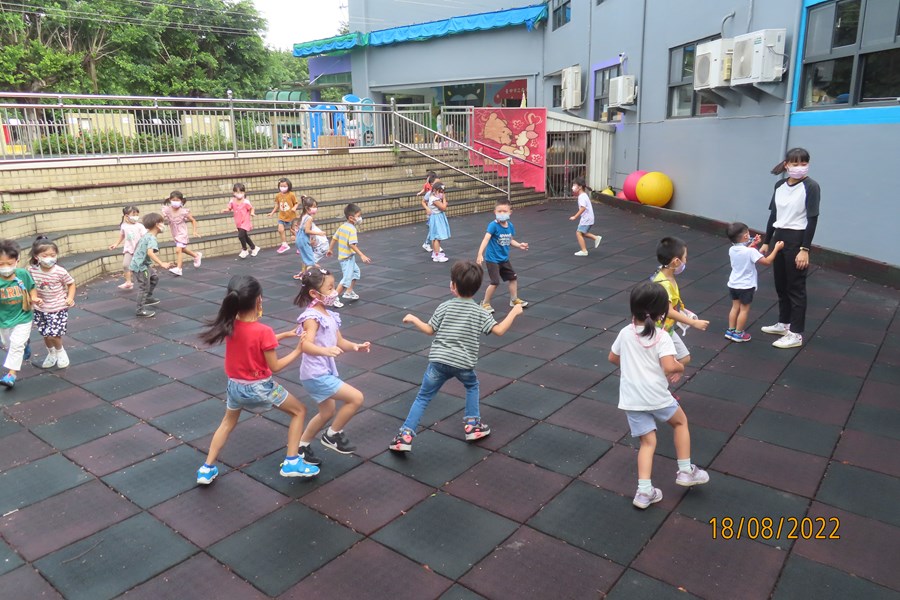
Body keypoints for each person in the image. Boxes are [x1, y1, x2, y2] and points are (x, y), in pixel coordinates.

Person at [196, 275, 319, 484]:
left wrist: (283, 335)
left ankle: (206, 469)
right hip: (260, 388)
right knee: (300, 411)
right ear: (259, 300)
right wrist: (299, 348)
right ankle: (292, 462)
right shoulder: (264, 331)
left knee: (227, 423)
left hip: (234, 387)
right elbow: (276, 366)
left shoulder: (229, 325)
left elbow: (252, 340)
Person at [390, 260, 524, 452]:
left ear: (453, 286)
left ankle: (404, 436)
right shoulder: (480, 312)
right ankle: (472, 425)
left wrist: (413, 318)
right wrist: (514, 312)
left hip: (438, 362)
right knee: (472, 386)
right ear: (477, 288)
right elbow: (500, 330)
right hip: (463, 364)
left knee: (423, 397)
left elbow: (429, 330)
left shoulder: (445, 306)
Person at [609, 281, 710, 509]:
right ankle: (685, 471)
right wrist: (680, 368)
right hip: (655, 395)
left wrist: (633, 367)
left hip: (631, 398)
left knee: (648, 442)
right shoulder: (661, 336)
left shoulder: (625, 333)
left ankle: (644, 493)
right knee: (680, 423)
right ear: (662, 313)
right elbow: (669, 365)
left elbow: (613, 358)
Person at [293, 268, 371, 466]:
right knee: (356, 398)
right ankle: (332, 435)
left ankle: (301, 447)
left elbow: (340, 341)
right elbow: (305, 345)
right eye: (329, 288)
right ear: (314, 293)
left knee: (327, 413)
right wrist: (326, 351)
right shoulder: (311, 317)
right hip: (315, 375)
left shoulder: (329, 314)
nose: (334, 291)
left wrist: (355, 346)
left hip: (322, 372)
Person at [759, 147, 821, 349]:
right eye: (795, 163)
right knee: (781, 284)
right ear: (786, 165)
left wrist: (805, 249)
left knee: (796, 287)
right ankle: (783, 323)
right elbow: (773, 216)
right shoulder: (779, 185)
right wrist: (767, 242)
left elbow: (812, 220)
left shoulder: (811, 187)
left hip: (797, 239)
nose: (800, 167)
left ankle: (795, 333)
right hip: (779, 237)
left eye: (804, 163)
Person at [651, 237, 709, 366]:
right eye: (685, 258)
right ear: (676, 261)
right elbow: (668, 311)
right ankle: (656, 379)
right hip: (659, 330)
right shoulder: (664, 284)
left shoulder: (665, 274)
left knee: (681, 358)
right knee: (679, 359)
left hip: (666, 327)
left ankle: (659, 377)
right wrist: (693, 323)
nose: (686, 261)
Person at [725, 222, 784, 342]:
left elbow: (744, 252)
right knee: (744, 309)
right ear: (746, 236)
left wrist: (753, 244)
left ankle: (730, 330)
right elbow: (767, 261)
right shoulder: (751, 252)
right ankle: (739, 333)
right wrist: (776, 249)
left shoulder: (732, 249)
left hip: (733, 283)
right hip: (746, 286)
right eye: (748, 233)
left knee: (735, 307)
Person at [27, 237, 76, 369]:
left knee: (54, 334)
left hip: (57, 307)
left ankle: (60, 352)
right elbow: (30, 286)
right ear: (37, 257)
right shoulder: (32, 271)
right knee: (46, 334)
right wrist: (34, 298)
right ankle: (51, 353)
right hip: (41, 308)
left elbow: (71, 284)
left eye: (52, 255)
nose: (49, 258)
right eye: (45, 255)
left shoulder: (60, 271)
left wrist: (70, 298)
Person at [475, 198, 529, 313]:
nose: (502, 214)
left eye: (505, 211)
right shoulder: (493, 226)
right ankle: (484, 303)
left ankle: (513, 300)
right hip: (492, 259)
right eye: (499, 211)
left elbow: (510, 240)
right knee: (495, 282)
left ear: (510, 212)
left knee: (513, 278)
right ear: (495, 212)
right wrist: (480, 254)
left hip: (504, 259)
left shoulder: (510, 226)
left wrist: (519, 245)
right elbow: (486, 239)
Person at [0, 240, 38, 389]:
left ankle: (11, 375)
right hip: (4, 319)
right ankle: (25, 345)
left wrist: (34, 298)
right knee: (9, 344)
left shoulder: (22, 274)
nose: (5, 268)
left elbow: (31, 288)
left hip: (23, 316)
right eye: (1, 264)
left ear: (17, 261)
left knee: (16, 344)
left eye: (9, 263)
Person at [129, 213, 175, 318]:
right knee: (144, 287)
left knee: (154, 278)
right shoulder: (151, 238)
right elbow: (150, 252)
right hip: (140, 267)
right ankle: (140, 310)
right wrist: (162, 263)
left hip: (142, 264)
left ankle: (148, 297)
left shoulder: (147, 235)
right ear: (157, 224)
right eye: (162, 222)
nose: (164, 225)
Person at [328, 203, 371, 307]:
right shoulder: (352, 229)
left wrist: (330, 249)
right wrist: (362, 255)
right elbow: (351, 244)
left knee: (356, 272)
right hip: (346, 258)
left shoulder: (342, 226)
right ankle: (333, 298)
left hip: (348, 257)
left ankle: (348, 292)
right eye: (358, 216)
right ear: (351, 218)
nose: (360, 218)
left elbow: (334, 238)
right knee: (346, 279)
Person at [162, 191, 201, 276]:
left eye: (177, 200)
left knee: (178, 250)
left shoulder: (184, 211)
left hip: (182, 232)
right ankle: (196, 255)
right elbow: (161, 218)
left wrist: (194, 231)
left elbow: (193, 220)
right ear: (170, 200)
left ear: (181, 201)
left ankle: (179, 269)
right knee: (182, 249)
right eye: (173, 200)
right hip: (174, 232)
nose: (175, 202)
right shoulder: (167, 209)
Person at [108, 205, 145, 290]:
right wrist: (116, 244)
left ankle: (146, 280)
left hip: (139, 250)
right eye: (133, 214)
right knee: (125, 265)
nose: (136, 217)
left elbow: (145, 237)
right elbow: (122, 235)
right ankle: (128, 282)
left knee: (141, 267)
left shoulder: (140, 226)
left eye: (137, 215)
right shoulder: (124, 226)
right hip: (129, 249)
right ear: (126, 216)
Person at [293, 195, 327, 279]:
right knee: (311, 262)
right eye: (314, 207)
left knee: (307, 259)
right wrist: (319, 233)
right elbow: (307, 231)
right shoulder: (309, 218)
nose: (315, 208)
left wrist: (304, 198)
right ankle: (311, 277)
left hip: (299, 239)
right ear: (308, 208)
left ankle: (305, 274)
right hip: (304, 239)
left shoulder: (303, 215)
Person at [222, 182, 259, 259]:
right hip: (238, 221)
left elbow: (251, 208)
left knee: (240, 235)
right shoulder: (232, 201)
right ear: (234, 193)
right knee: (244, 236)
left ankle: (244, 250)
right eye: (237, 192)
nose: (239, 194)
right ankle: (254, 248)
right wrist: (226, 210)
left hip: (245, 221)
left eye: (241, 192)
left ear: (244, 192)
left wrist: (252, 213)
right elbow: (229, 208)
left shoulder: (246, 202)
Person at [569, 177, 602, 256]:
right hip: (588, 218)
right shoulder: (584, 195)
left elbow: (583, 208)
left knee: (578, 233)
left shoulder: (582, 197)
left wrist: (575, 216)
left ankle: (584, 251)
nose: (573, 187)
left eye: (574, 185)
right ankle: (596, 238)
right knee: (582, 233)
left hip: (587, 218)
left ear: (580, 187)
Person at [268, 177, 298, 254]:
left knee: (294, 233)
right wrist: (272, 213)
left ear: (289, 186)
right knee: (280, 229)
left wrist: (294, 208)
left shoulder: (291, 194)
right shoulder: (278, 195)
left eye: (284, 186)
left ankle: (300, 246)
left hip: (291, 216)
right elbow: (277, 206)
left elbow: (296, 203)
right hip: (282, 216)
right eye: (281, 186)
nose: (282, 188)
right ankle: (284, 244)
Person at [427, 182, 451, 263]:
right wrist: (444, 200)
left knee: (436, 236)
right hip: (437, 218)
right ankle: (437, 255)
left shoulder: (432, 197)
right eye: (440, 192)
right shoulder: (434, 199)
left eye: (443, 192)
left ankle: (435, 253)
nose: (442, 194)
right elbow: (443, 207)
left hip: (436, 217)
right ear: (435, 190)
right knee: (437, 237)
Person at [417, 171, 438, 252]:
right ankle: (427, 243)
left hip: (436, 213)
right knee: (433, 229)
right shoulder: (429, 192)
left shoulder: (438, 191)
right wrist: (427, 209)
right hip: (431, 214)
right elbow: (423, 201)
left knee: (435, 229)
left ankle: (435, 245)